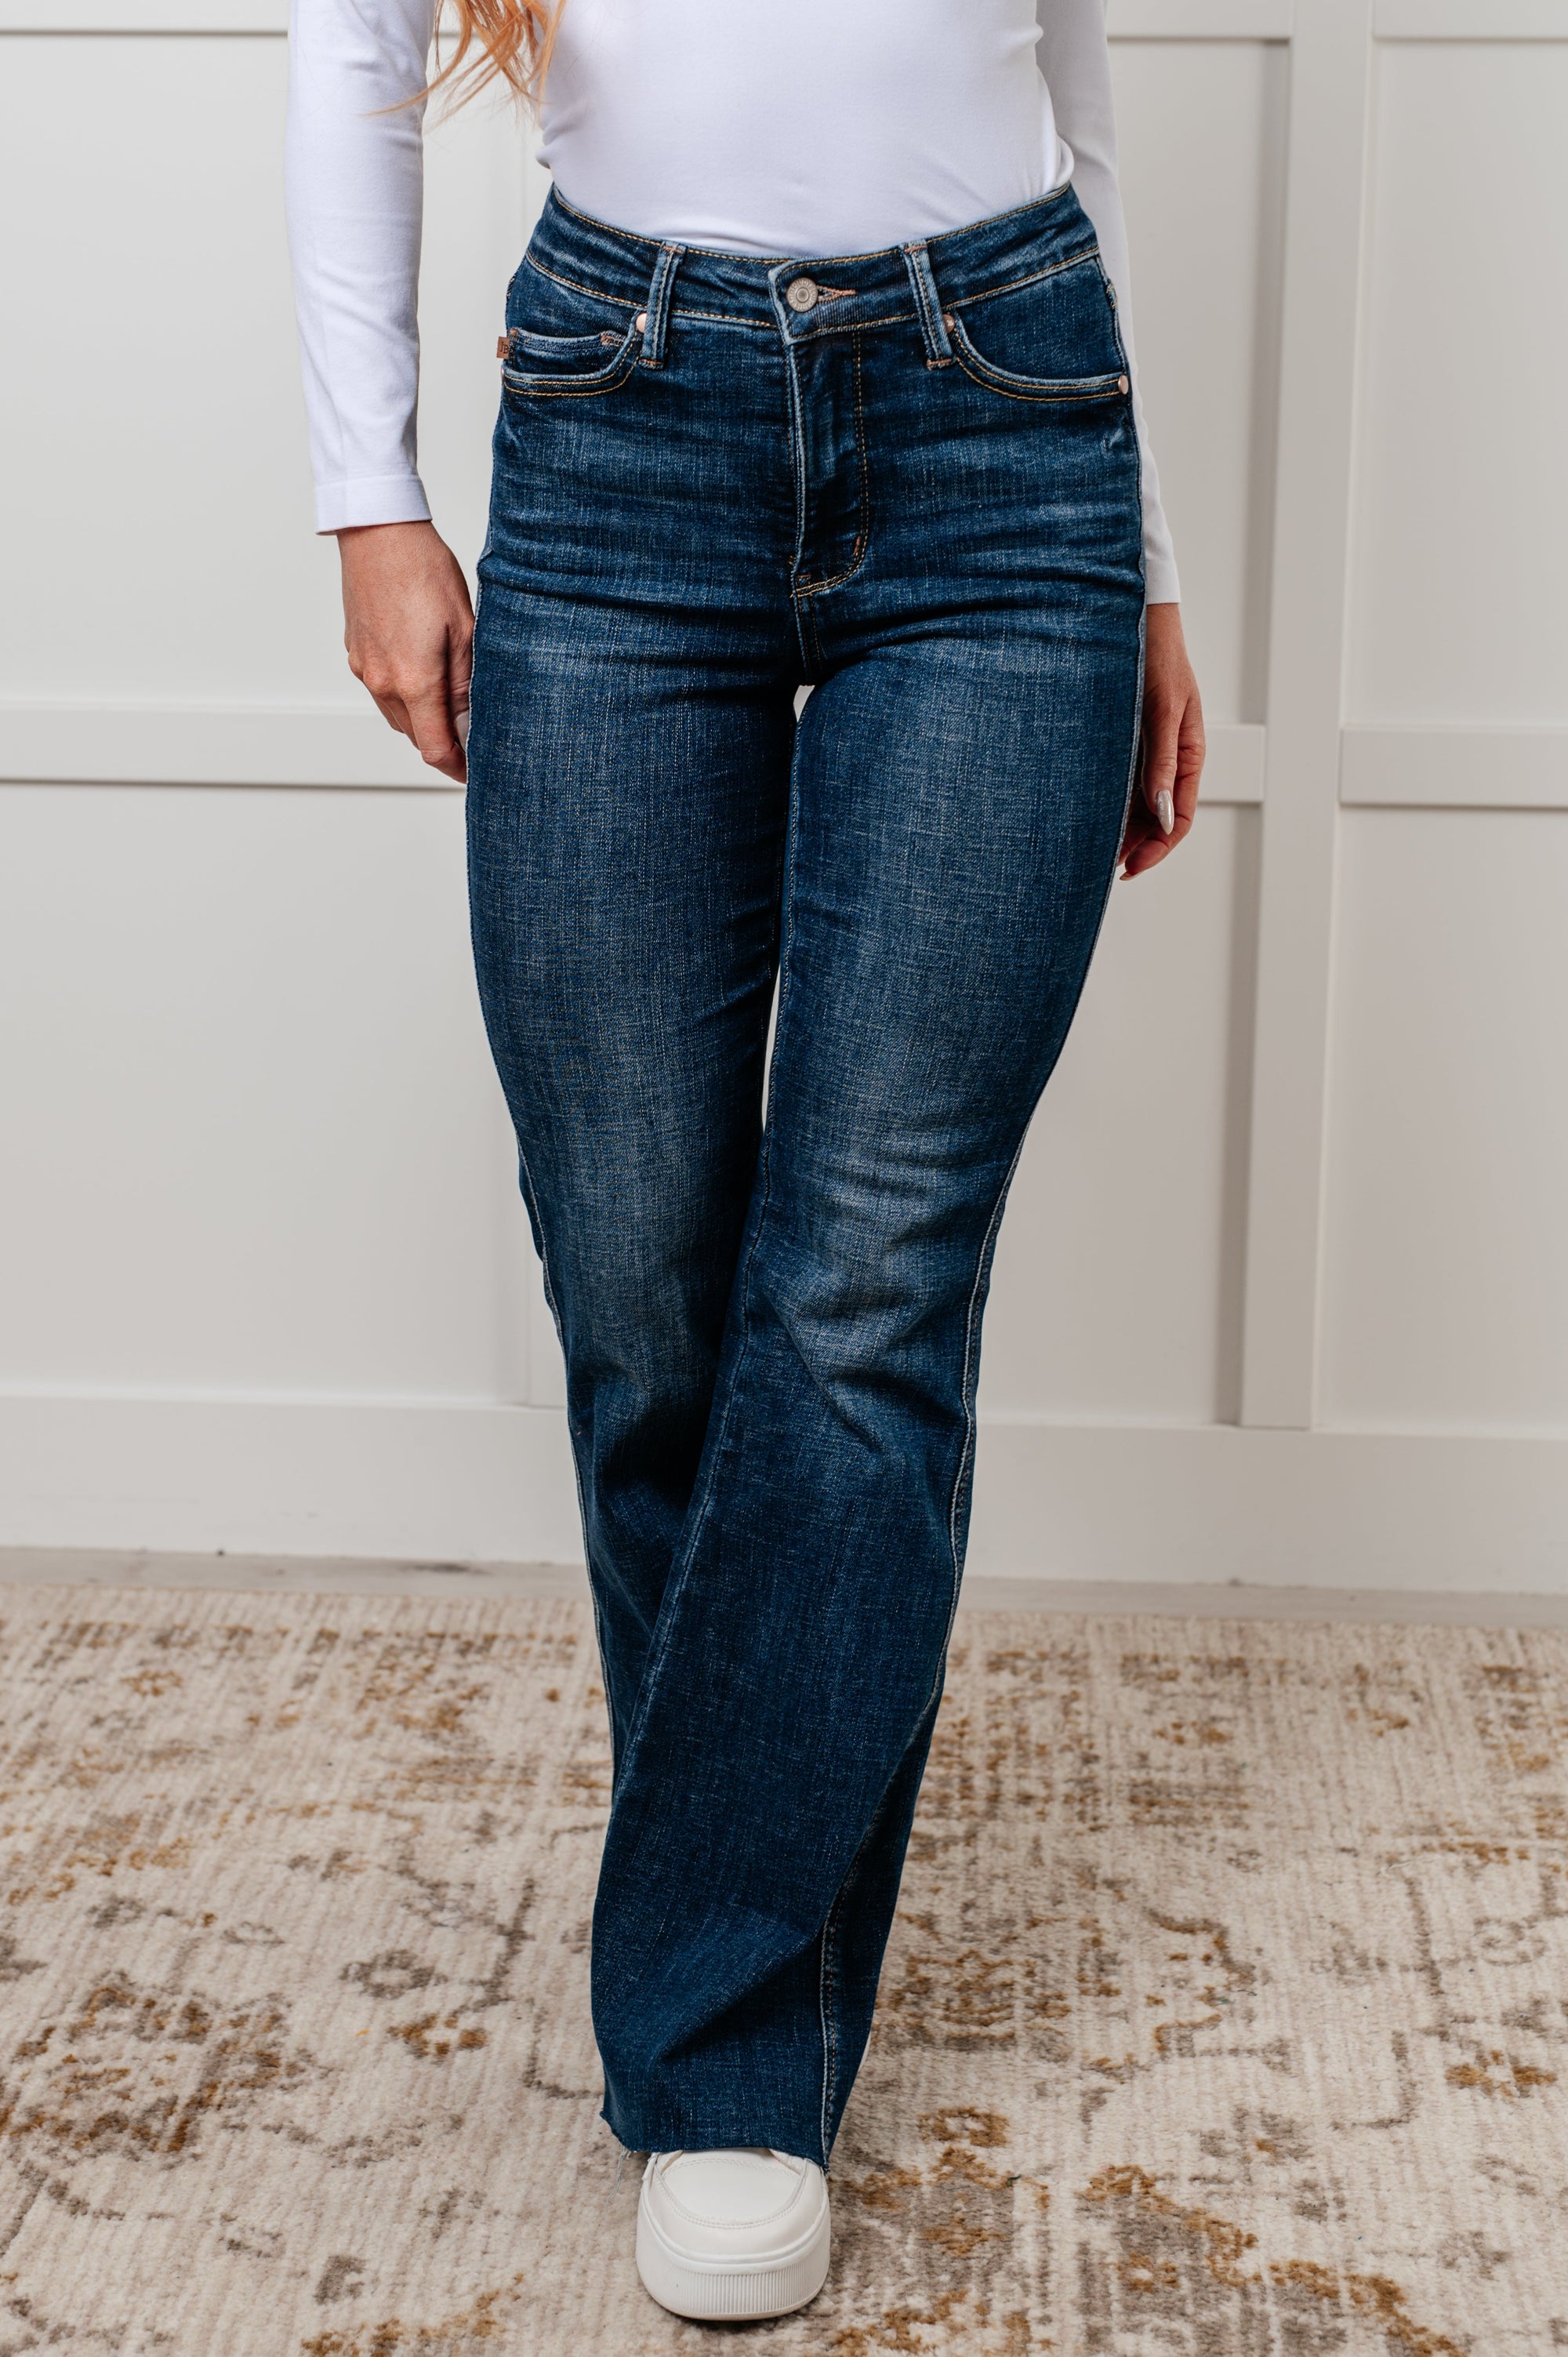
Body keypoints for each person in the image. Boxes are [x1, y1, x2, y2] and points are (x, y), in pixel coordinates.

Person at [285, 0, 1205, 2320]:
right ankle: (748, 1988)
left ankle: (723, 2075)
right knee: (643, 1293)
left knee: (867, 1288)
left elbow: (1071, 96)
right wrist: (369, 492)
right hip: (622, 428)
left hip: (1012, 435)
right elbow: (348, 46)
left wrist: (1152, 561)